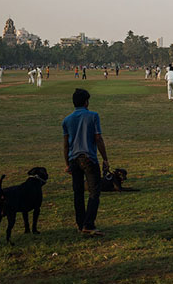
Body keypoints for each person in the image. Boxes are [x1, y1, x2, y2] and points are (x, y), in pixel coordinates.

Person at [63, 88, 110, 236]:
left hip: (73, 159)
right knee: (94, 192)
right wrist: (105, 158)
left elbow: (65, 144)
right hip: (89, 158)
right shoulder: (93, 116)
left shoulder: (67, 120)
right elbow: (98, 138)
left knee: (78, 193)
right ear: (86, 102)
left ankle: (80, 223)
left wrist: (67, 164)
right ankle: (88, 224)